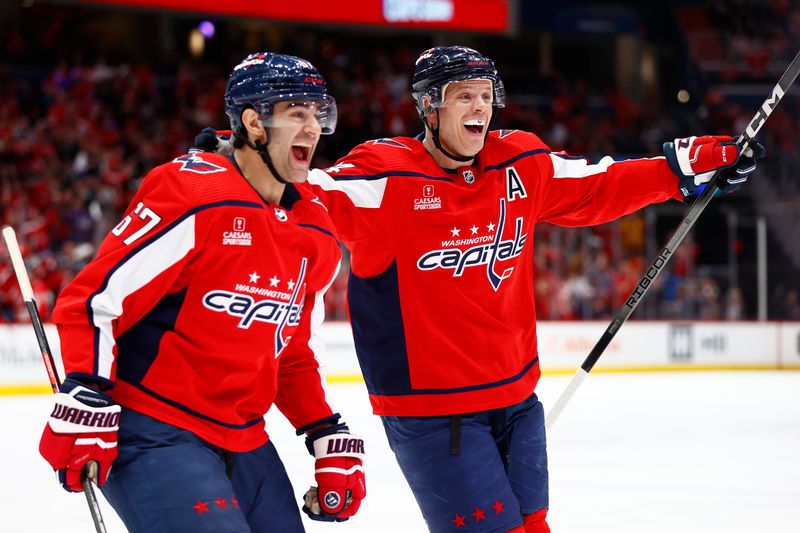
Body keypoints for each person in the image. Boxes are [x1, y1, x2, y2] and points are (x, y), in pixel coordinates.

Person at [198, 45, 763, 533]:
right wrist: (235, 161)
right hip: (433, 412)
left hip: (518, 400)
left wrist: (684, 167)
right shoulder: (386, 178)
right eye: (463, 96)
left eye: (486, 95)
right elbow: (303, 191)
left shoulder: (518, 161)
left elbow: (599, 184)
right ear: (429, 106)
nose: (480, 108)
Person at [39, 52, 366, 532]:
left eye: (318, 114)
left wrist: (323, 429)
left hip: (245, 438)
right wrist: (87, 390)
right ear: (254, 122)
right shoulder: (195, 194)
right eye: (296, 113)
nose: (312, 128)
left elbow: (289, 350)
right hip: (155, 428)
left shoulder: (314, 227)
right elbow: (94, 301)